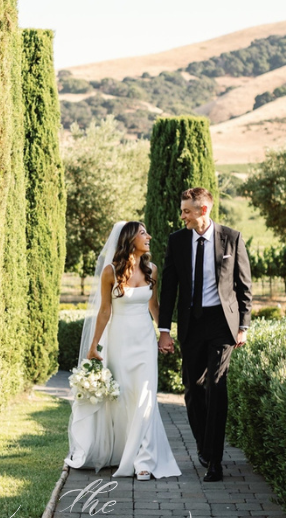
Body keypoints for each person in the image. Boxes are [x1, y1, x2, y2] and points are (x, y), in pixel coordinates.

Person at [65, 221, 181, 480]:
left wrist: (165, 334)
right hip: (119, 342)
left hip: (144, 342)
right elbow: (104, 311)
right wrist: (94, 345)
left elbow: (154, 306)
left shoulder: (152, 270)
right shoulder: (111, 272)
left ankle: (144, 460)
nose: (149, 236)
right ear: (130, 239)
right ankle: (125, 450)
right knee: (126, 398)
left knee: (146, 398)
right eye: (143, 233)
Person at [158, 187, 252, 483]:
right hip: (191, 325)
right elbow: (169, 287)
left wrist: (243, 326)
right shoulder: (177, 241)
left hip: (222, 324)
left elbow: (243, 284)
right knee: (193, 389)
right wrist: (164, 330)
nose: (182, 215)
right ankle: (203, 445)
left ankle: (215, 460)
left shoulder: (231, 238)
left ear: (203, 210)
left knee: (216, 385)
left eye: (187, 210)